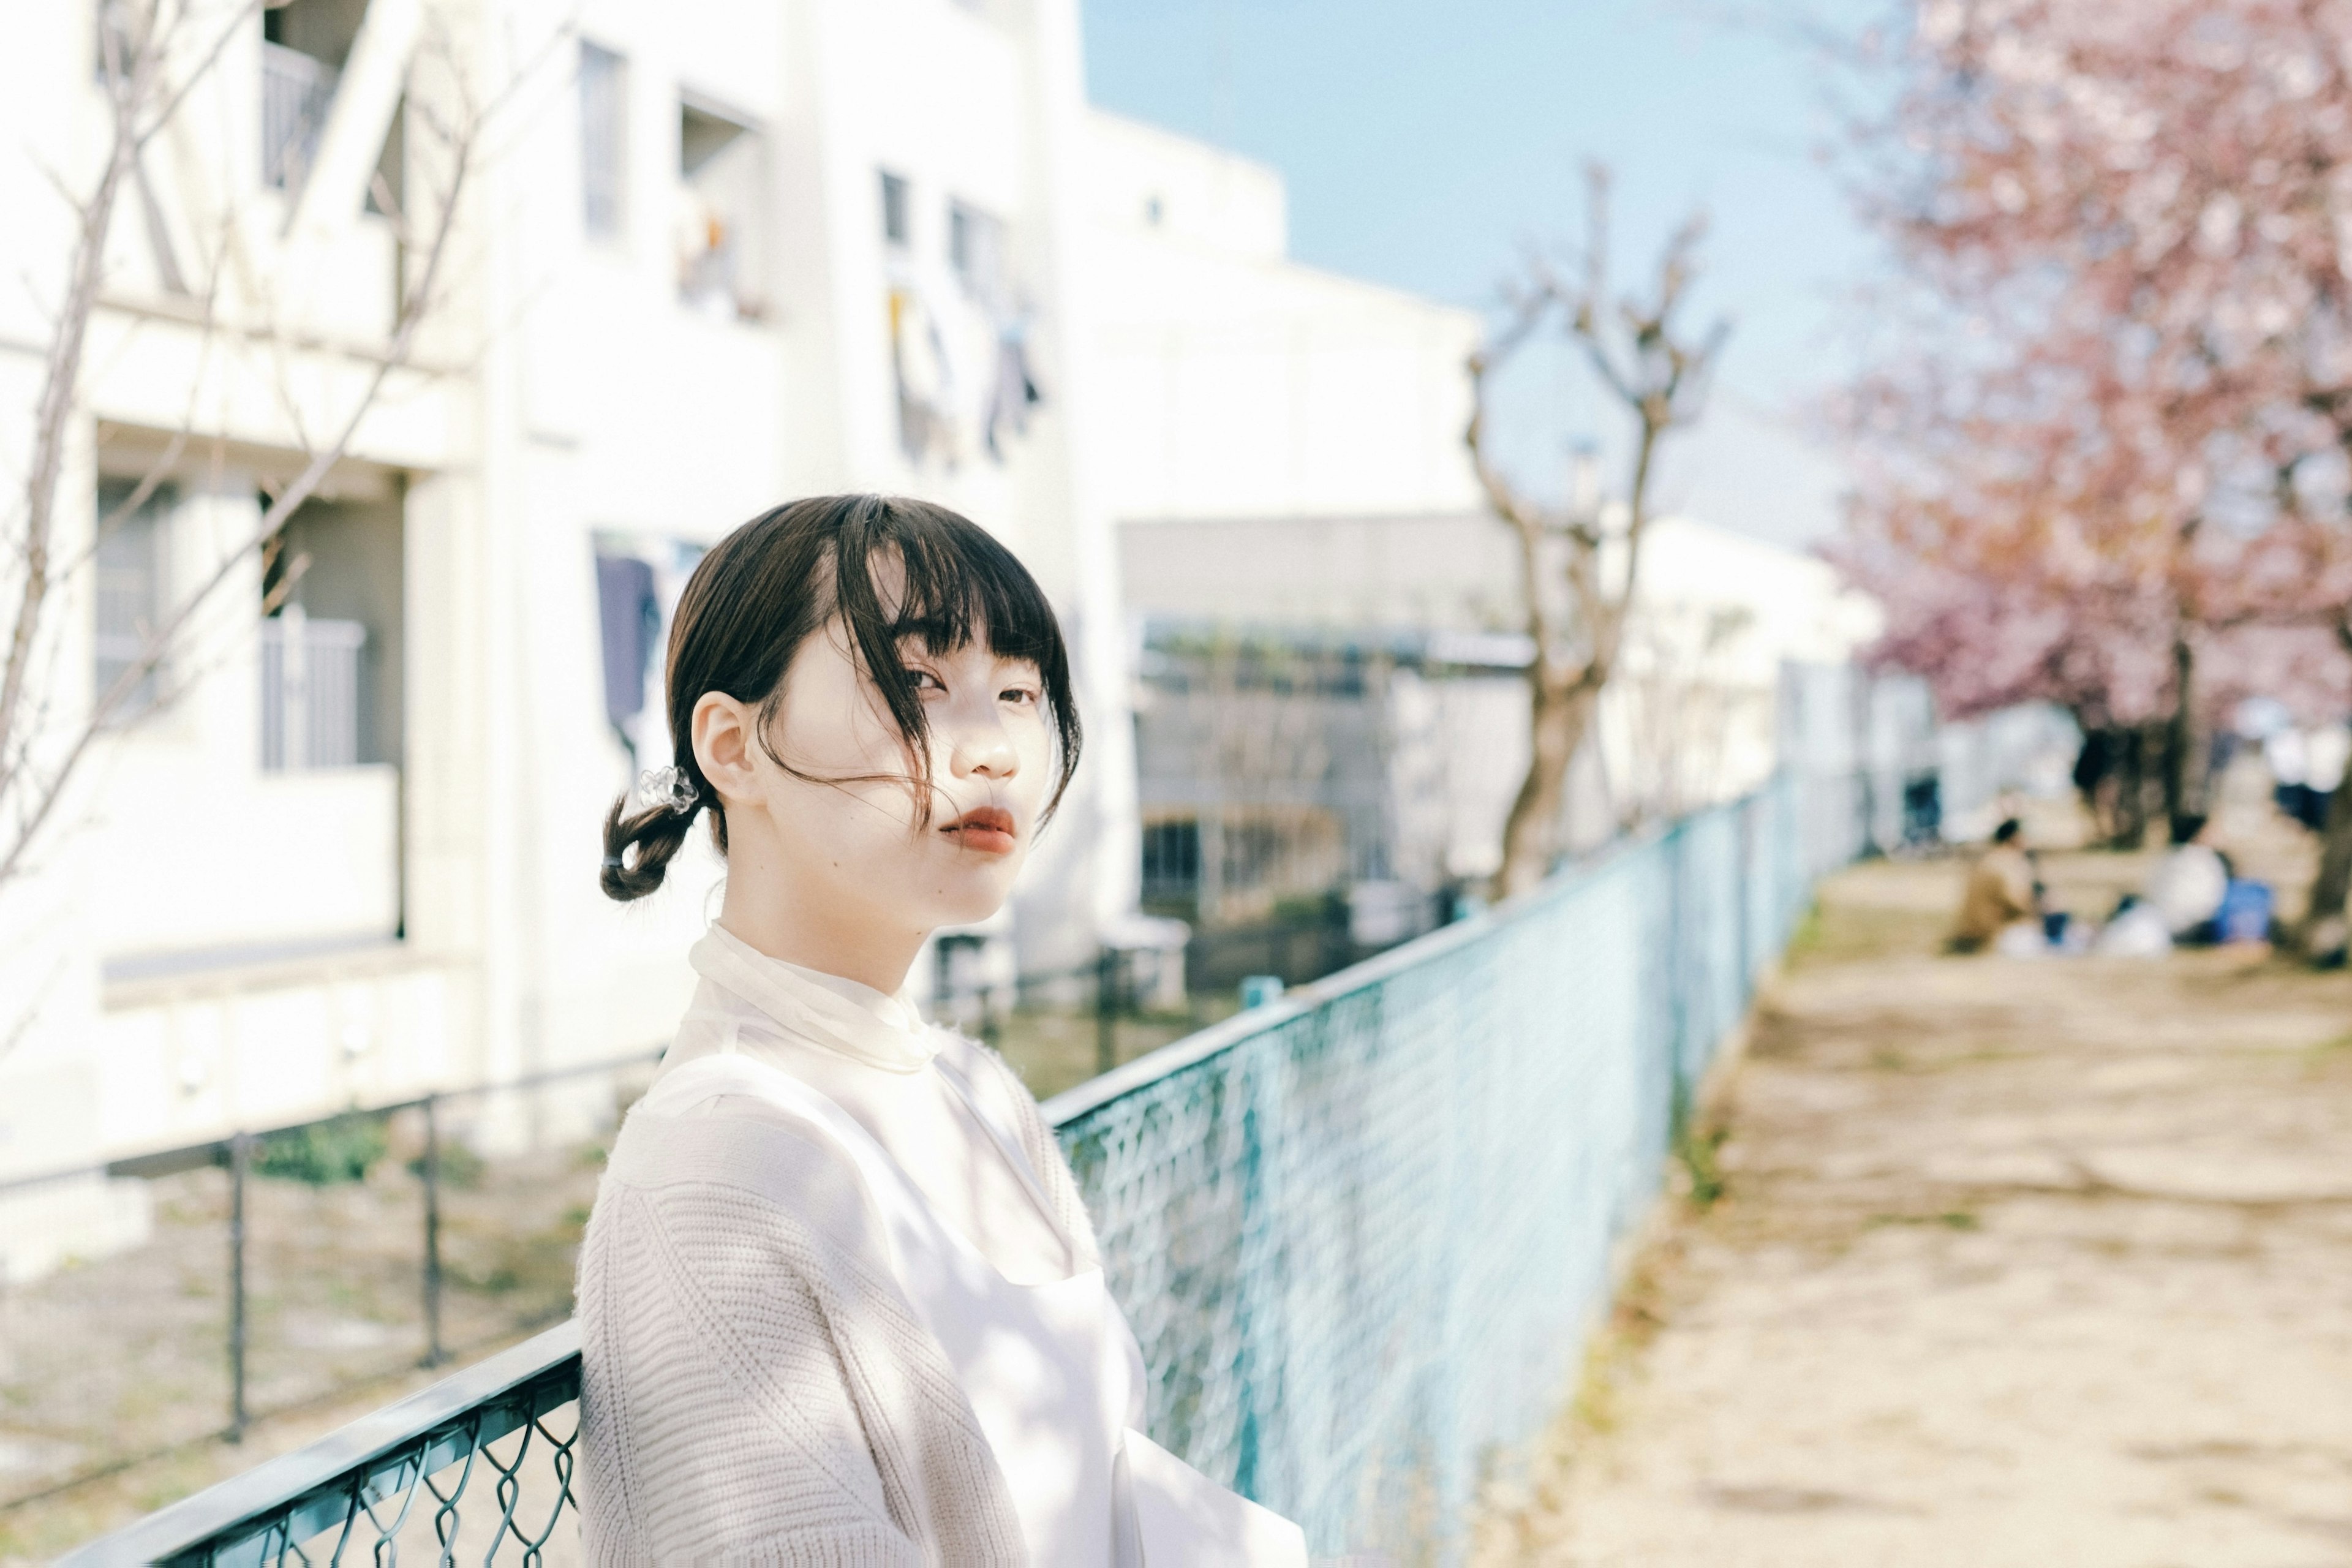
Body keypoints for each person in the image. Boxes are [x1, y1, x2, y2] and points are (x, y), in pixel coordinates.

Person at [575, 497, 1310, 1564]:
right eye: (918, 683)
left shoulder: (976, 1094)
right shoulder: (713, 1172)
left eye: (1016, 692)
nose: (996, 748)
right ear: (734, 748)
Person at [1950, 817, 2039, 953]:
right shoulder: (2009, 862)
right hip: (1994, 938)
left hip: (1972, 933)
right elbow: (2018, 902)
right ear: (2016, 838)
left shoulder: (1988, 860)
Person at [2146, 812, 2229, 942]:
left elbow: (2150, 891)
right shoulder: (2207, 861)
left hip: (2159, 923)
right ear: (2198, 834)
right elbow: (2213, 902)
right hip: (2194, 927)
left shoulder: (2168, 857)